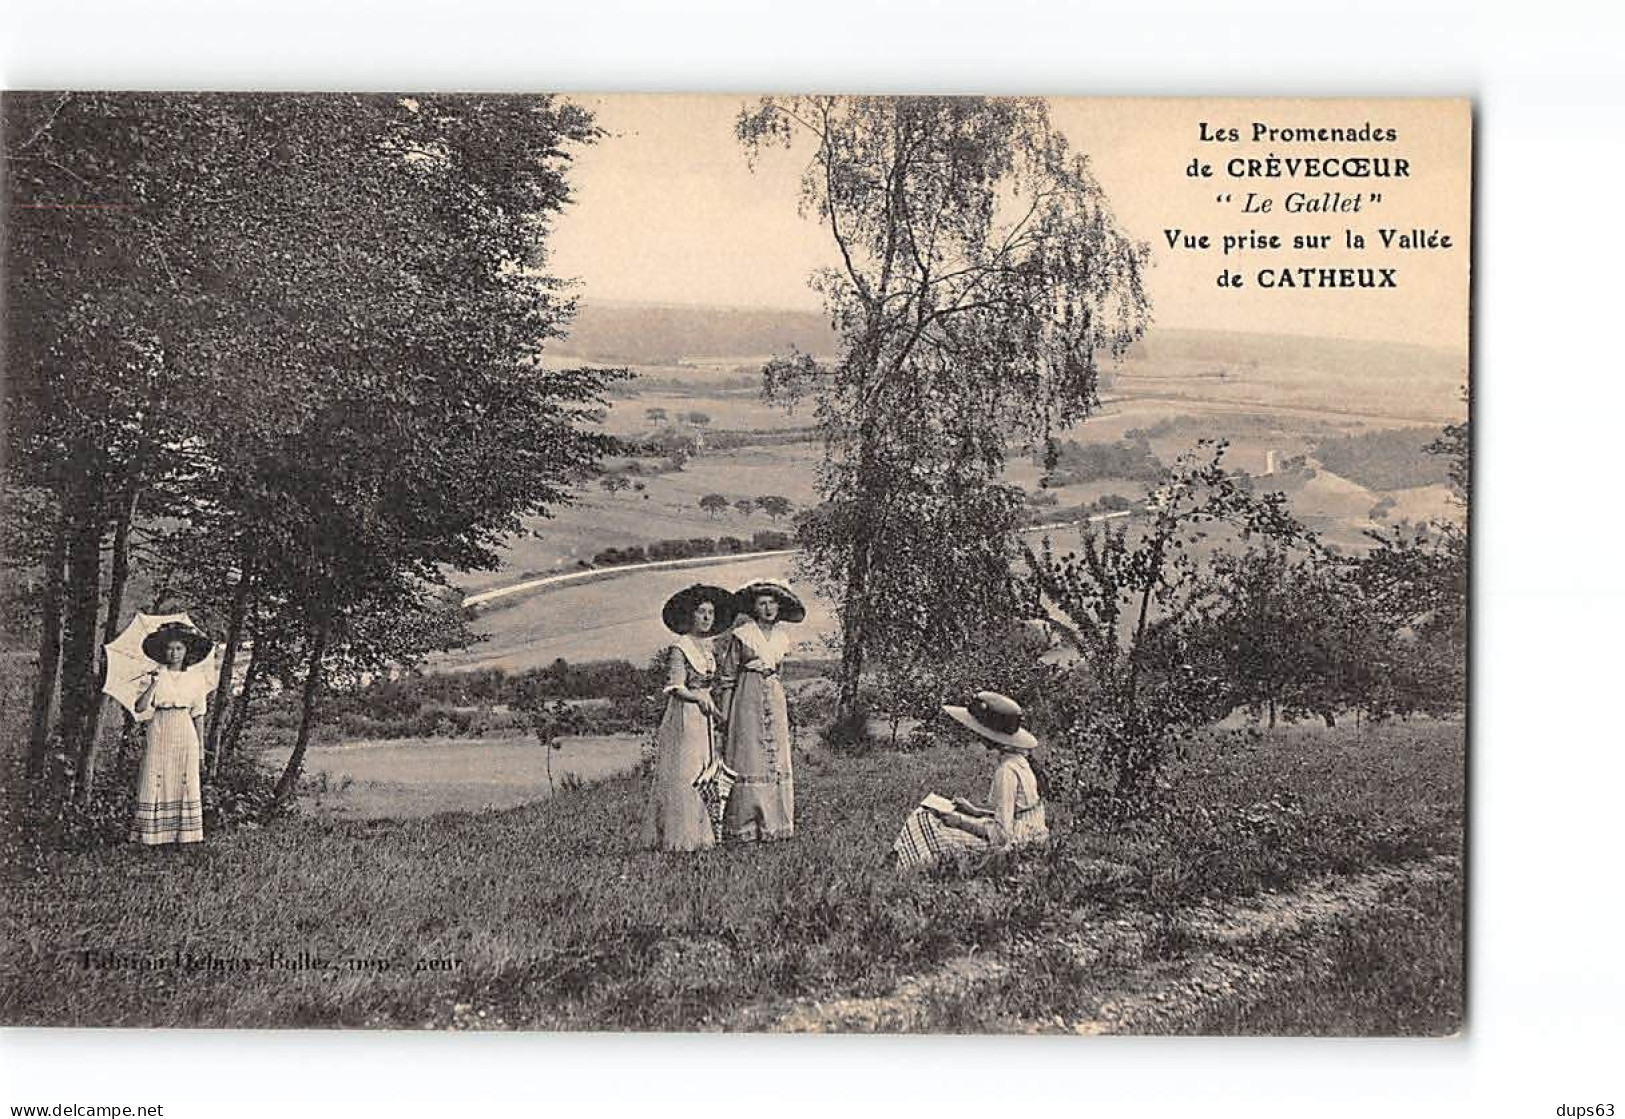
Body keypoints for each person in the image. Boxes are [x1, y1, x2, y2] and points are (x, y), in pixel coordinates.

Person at [892, 691, 1049, 870]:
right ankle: (902, 861)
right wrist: (975, 812)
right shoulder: (1020, 760)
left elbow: (1002, 835)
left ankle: (908, 867)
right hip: (1028, 836)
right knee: (931, 817)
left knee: (924, 820)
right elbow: (1015, 814)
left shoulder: (1006, 771)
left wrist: (960, 821)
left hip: (1016, 846)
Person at [641, 584, 737, 852]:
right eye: (701, 612)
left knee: (705, 770)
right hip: (685, 715)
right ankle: (680, 837)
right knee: (687, 771)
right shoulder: (680, 647)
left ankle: (703, 834)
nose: (706, 618)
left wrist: (714, 708)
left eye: (710, 613)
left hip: (704, 714)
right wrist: (699, 700)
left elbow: (710, 684)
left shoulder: (708, 648)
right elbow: (676, 686)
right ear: (690, 616)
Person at [715, 578, 803, 842]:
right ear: (754, 608)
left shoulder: (782, 637)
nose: (767, 609)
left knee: (775, 756)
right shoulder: (743, 635)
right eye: (762, 603)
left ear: (779, 607)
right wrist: (725, 715)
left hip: (774, 698)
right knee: (749, 754)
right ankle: (745, 825)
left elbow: (779, 672)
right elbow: (728, 677)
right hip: (747, 698)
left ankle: (775, 823)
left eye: (772, 603)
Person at [130, 622, 213, 847]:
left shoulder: (195, 678)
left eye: (179, 648)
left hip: (184, 729)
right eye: (169, 648)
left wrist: (201, 751)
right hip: (160, 727)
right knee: (155, 776)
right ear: (163, 651)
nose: (174, 653)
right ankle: (152, 836)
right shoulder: (154, 675)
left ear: (186, 651)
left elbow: (199, 715)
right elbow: (139, 708)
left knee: (184, 778)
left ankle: (184, 835)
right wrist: (154, 683)